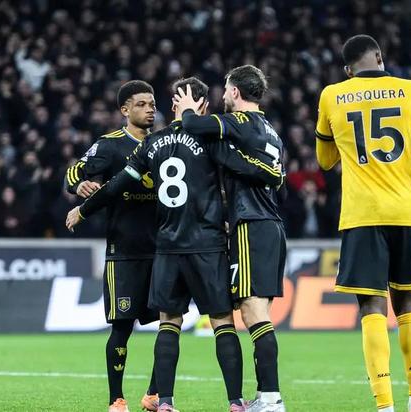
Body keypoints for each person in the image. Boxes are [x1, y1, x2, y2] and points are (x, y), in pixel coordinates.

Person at [66, 77, 282, 412]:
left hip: (166, 246)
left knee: (169, 322)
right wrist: (272, 174)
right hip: (207, 244)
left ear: (173, 105)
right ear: (203, 106)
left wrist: (83, 210)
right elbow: (237, 176)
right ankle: (236, 402)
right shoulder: (210, 140)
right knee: (222, 322)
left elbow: (118, 184)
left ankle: (164, 401)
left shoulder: (153, 143)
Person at [314, 35, 411, 412]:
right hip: (405, 213)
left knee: (372, 308)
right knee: (408, 304)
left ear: (348, 70)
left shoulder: (332, 95)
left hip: (361, 215)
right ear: (379, 56)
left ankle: (385, 405)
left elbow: (324, 160)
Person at [174, 65, 287, 412]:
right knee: (258, 310)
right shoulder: (271, 131)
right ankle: (267, 397)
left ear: (236, 92)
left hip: (251, 224)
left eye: (225, 90)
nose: (222, 96)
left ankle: (271, 398)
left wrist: (187, 109)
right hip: (270, 224)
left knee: (253, 312)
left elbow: (194, 126)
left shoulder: (241, 121)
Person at [64, 80, 159, 412]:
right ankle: (116, 399)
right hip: (125, 249)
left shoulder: (163, 144)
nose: (150, 109)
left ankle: (155, 394)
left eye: (152, 104)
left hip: (163, 248)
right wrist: (79, 185)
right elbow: (73, 172)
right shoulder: (109, 145)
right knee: (122, 326)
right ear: (125, 110)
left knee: (170, 322)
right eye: (142, 104)